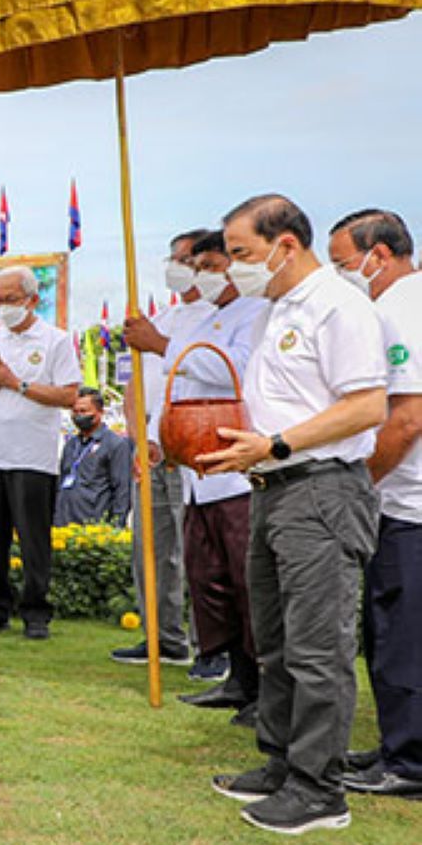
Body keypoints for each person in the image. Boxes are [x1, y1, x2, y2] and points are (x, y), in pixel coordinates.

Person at [201, 194, 385, 835]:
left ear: (286, 243)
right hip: (273, 488)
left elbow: (367, 407)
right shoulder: (273, 310)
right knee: (275, 640)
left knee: (318, 647)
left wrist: (278, 445)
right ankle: (282, 763)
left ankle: (319, 790)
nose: (234, 268)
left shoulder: (339, 306)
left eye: (243, 253)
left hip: (321, 490)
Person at [328, 209, 422, 798]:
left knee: (402, 637)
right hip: (405, 502)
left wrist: (363, 481)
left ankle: (409, 762)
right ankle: (398, 744)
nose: (342, 275)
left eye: (343, 264)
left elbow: (408, 416)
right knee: (389, 633)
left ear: (379, 255)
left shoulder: (399, 308)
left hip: (409, 505)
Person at [161, 234, 269, 701]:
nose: (202, 274)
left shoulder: (257, 313)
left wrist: (161, 346)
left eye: (210, 264)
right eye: (197, 265)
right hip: (197, 470)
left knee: (246, 584)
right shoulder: (206, 319)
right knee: (210, 578)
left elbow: (235, 371)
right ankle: (235, 676)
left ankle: (261, 687)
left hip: (235, 469)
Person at [115, 230, 219, 669]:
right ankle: (162, 637)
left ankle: (212, 645)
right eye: (171, 258)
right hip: (154, 451)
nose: (174, 267)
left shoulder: (219, 316)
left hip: (195, 450)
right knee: (151, 551)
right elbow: (136, 383)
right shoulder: (163, 318)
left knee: (198, 551)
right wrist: (142, 438)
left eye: (184, 259)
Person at [0, 266, 82, 639]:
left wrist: (19, 383)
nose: (4, 307)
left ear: (32, 299)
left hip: (33, 454)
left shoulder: (55, 340)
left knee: (33, 538)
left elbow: (68, 395)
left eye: (11, 299)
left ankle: (36, 612)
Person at [53, 388, 132, 527]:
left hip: (93, 526)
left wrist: (116, 527)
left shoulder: (115, 444)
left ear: (100, 413)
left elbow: (122, 490)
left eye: (83, 411)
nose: (78, 416)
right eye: (75, 411)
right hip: (64, 523)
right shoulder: (71, 444)